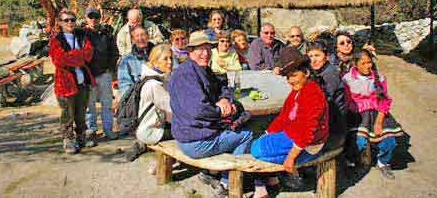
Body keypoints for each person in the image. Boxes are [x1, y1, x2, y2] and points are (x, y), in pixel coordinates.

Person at [169, 30, 255, 198]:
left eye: (208, 48)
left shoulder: (202, 69)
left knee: (239, 124)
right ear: (190, 51)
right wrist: (223, 112)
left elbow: (224, 86)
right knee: (247, 134)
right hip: (193, 141)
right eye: (200, 49)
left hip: (197, 133)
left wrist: (224, 99)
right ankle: (227, 183)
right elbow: (199, 110)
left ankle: (216, 174)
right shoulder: (186, 74)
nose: (205, 53)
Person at [250, 47, 329, 193]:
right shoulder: (298, 92)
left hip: (308, 142)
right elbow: (284, 116)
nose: (290, 80)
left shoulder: (313, 94)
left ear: (306, 72)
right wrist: (268, 133)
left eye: (293, 75)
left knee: (255, 149)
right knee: (259, 142)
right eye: (288, 77)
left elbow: (308, 130)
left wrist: (291, 158)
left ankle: (274, 177)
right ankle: (272, 178)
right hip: (294, 136)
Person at [343, 49, 403, 179]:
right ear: (355, 64)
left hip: (377, 113)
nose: (367, 66)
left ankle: (383, 163)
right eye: (363, 63)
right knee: (358, 141)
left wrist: (379, 122)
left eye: (369, 62)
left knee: (389, 140)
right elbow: (346, 100)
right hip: (357, 113)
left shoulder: (379, 78)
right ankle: (356, 163)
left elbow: (384, 101)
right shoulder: (347, 79)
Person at [49, 9, 95, 154]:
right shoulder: (56, 40)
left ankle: (81, 137)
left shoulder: (81, 37)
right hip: (65, 84)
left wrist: (72, 56)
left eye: (72, 20)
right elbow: (59, 59)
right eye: (66, 20)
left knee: (81, 113)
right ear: (60, 23)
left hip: (82, 82)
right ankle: (68, 139)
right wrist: (78, 56)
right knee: (67, 114)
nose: (70, 22)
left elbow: (88, 54)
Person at [126, 44, 174, 161]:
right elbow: (170, 115)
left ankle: (144, 146)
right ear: (155, 62)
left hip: (145, 128)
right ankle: (159, 161)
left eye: (171, 58)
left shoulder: (151, 77)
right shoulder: (155, 84)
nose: (170, 62)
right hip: (152, 131)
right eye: (165, 59)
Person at [83, 7, 119, 144]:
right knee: (89, 104)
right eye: (90, 17)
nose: (93, 19)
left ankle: (108, 129)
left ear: (100, 18)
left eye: (96, 17)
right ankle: (91, 129)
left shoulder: (107, 33)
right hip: (89, 74)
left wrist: (110, 69)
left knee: (107, 104)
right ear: (86, 18)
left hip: (104, 74)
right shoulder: (82, 34)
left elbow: (114, 52)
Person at [307, 40, 347, 148]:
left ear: (326, 56)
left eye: (317, 55)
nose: (313, 60)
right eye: (310, 56)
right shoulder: (316, 71)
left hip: (333, 127)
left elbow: (323, 100)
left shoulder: (330, 73)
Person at [117, 26, 154, 96]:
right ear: (133, 40)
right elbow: (124, 85)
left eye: (143, 35)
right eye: (137, 36)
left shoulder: (159, 55)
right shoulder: (126, 60)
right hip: (138, 98)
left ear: (148, 37)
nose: (140, 38)